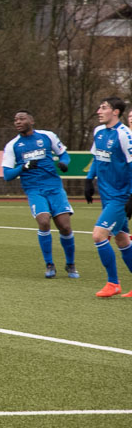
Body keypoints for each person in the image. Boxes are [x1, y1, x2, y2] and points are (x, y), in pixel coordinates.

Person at [1, 110, 78, 279]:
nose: (18, 122)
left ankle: (70, 264)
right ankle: (49, 264)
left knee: (65, 226)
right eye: (15, 119)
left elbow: (63, 153)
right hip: (34, 189)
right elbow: (7, 175)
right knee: (44, 222)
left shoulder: (47, 136)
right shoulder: (12, 146)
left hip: (54, 187)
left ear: (32, 120)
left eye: (21, 118)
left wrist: (64, 163)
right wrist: (23, 167)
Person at [84, 97, 132, 297]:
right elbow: (97, 157)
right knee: (122, 240)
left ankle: (113, 283)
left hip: (120, 196)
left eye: (103, 108)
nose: (98, 111)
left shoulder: (124, 135)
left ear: (116, 112)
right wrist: (88, 180)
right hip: (106, 195)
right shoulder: (98, 132)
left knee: (99, 235)